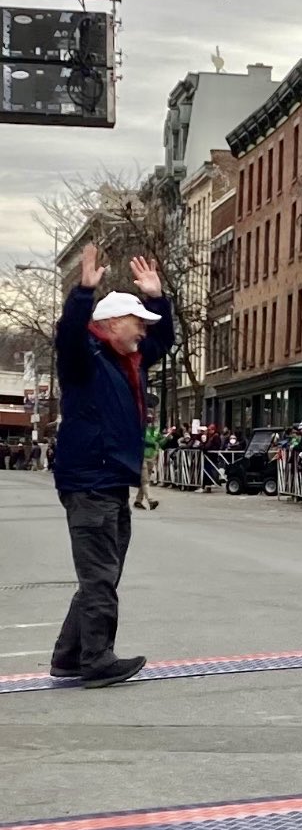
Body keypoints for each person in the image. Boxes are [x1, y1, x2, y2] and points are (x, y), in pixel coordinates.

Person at [50, 244, 174, 689]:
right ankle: (97, 659)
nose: (143, 331)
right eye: (137, 321)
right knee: (100, 574)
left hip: (109, 480)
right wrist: (83, 290)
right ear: (111, 324)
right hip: (90, 480)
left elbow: (164, 340)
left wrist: (158, 298)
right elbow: (67, 333)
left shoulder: (130, 363)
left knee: (102, 573)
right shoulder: (85, 359)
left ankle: (69, 656)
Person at [133, 413, 163, 510]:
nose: (150, 421)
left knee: (145, 480)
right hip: (142, 457)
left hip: (151, 457)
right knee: (145, 480)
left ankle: (138, 500)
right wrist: (153, 443)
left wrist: (167, 437)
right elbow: (143, 440)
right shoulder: (141, 429)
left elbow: (160, 442)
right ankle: (151, 500)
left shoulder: (155, 431)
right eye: (148, 418)